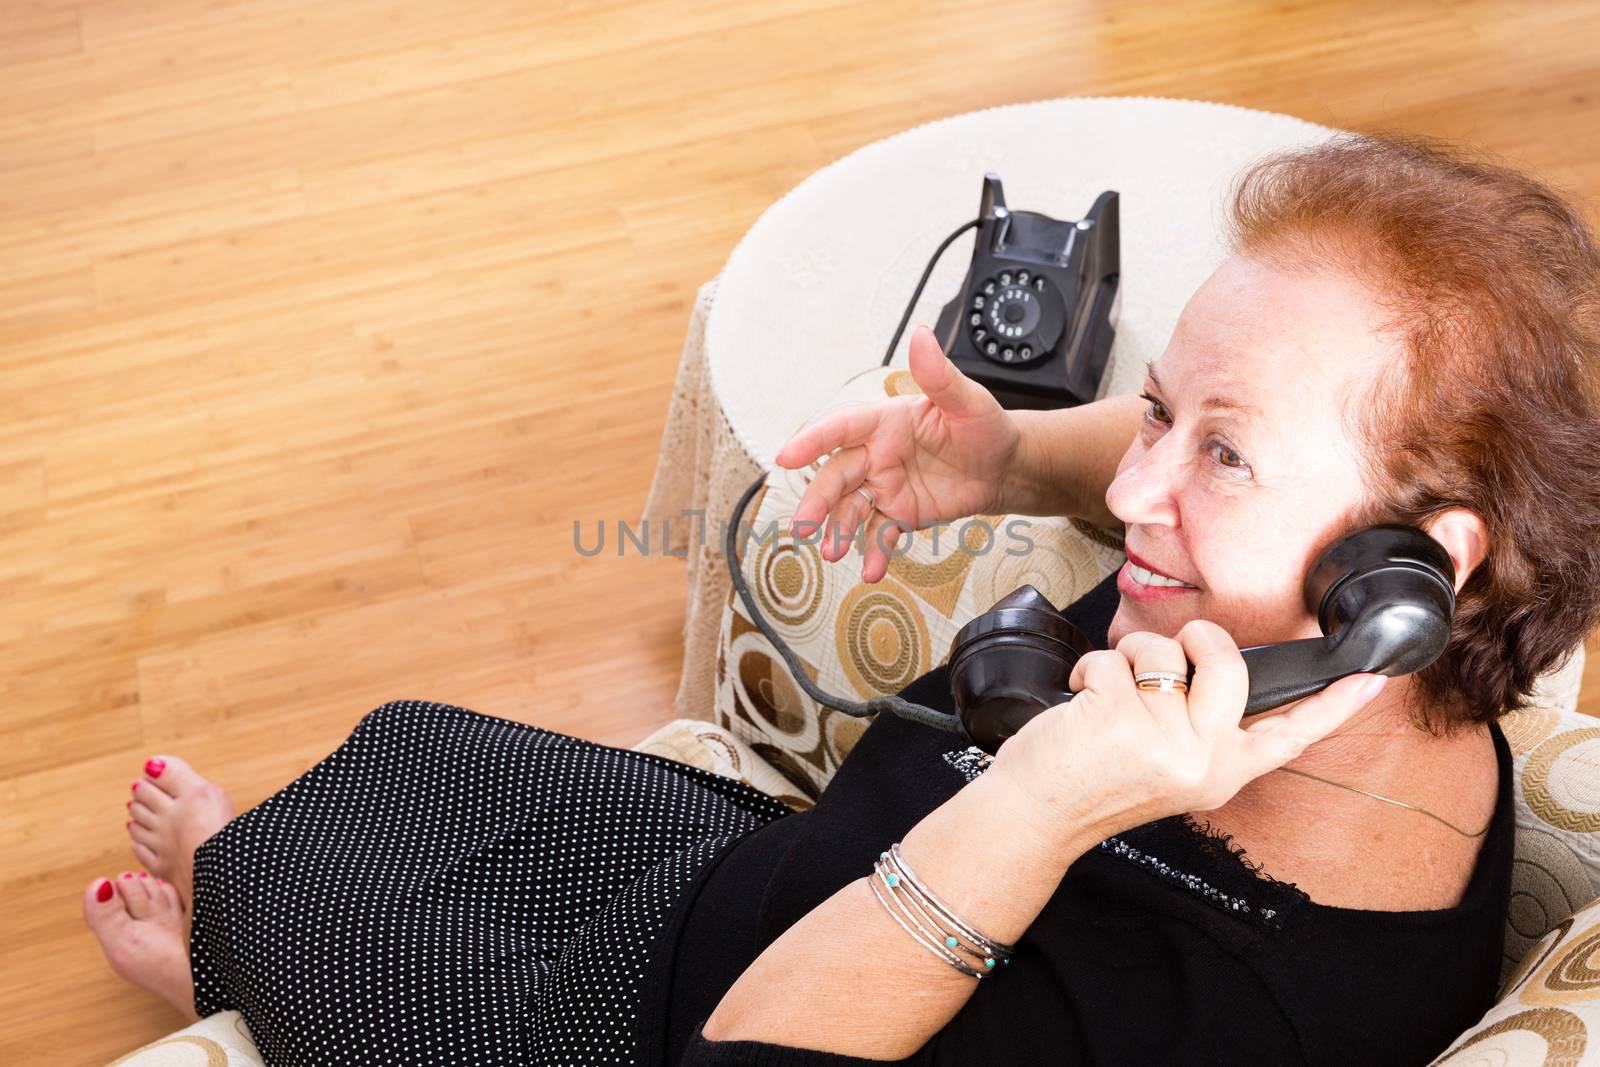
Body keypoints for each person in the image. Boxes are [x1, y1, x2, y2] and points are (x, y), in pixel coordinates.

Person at [82, 132, 1600, 1066]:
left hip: (666, 1033)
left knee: (279, 887)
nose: (1139, 496)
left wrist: (1041, 803)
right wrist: (1006, 454)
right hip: (760, 870)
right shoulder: (1299, 630)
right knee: (402, 743)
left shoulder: (1257, 1015)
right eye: (1155, 415)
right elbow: (1131, 478)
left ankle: (227, 941)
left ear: (1416, 571)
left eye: (1225, 454)